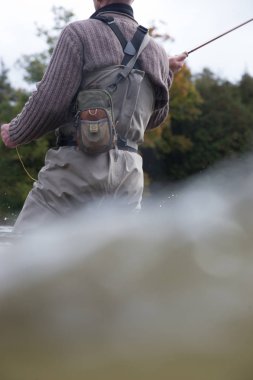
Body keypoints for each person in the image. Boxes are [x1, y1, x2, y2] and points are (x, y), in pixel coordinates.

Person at [1, 0, 187, 232]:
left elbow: (50, 103)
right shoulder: (158, 53)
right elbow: (154, 119)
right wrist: (165, 72)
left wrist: (16, 132)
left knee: (23, 256)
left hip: (78, 172)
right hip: (128, 179)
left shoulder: (78, 33)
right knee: (105, 264)